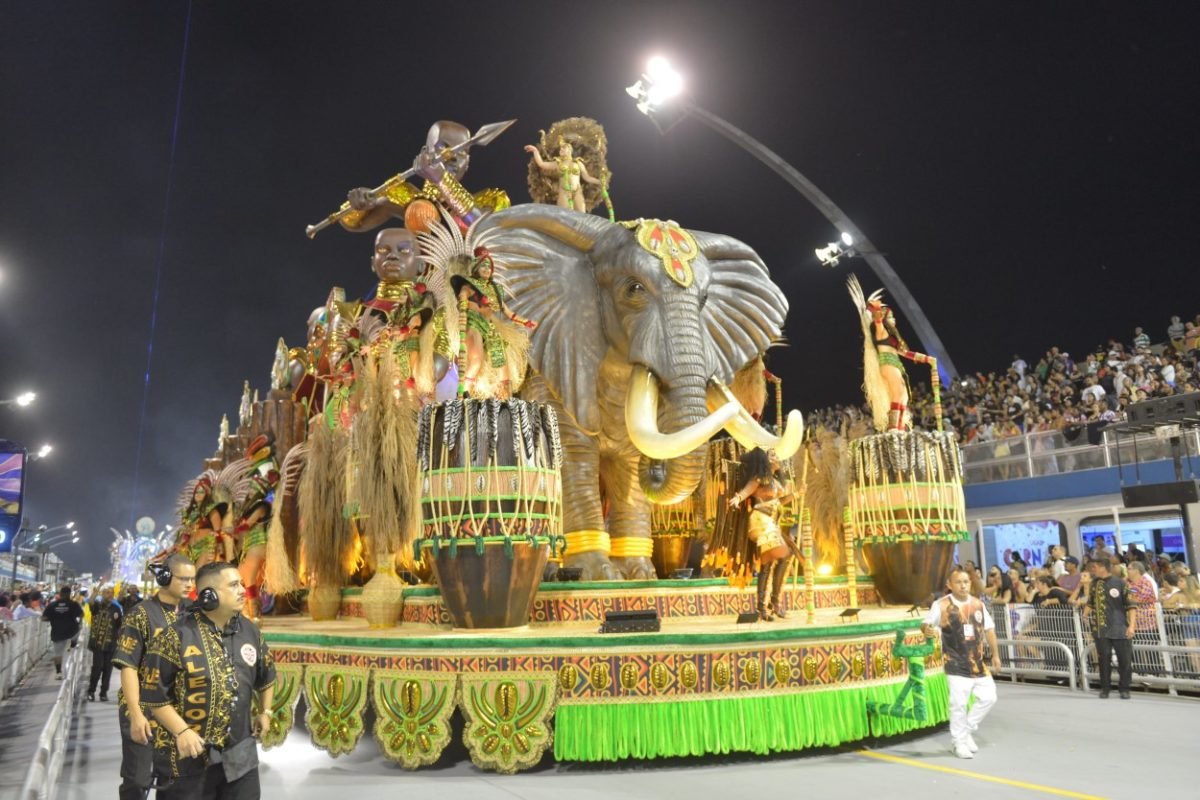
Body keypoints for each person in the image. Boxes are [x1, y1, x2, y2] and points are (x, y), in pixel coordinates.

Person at [142, 561, 275, 799]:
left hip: (240, 758)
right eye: (234, 585)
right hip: (186, 761)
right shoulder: (176, 635)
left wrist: (266, 711)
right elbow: (154, 696)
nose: (243, 591)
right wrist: (181, 731)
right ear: (209, 595)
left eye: (242, 584)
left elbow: (267, 676)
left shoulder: (250, 631)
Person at [112, 554, 196, 800]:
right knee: (137, 781)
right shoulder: (141, 614)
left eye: (193, 579)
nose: (190, 584)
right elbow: (127, 666)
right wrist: (136, 714)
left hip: (177, 712)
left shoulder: (192, 616)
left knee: (173, 780)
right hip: (144, 710)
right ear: (165, 577)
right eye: (184, 578)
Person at [922, 567, 1001, 759]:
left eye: (966, 581)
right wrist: (927, 630)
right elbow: (925, 625)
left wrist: (996, 655)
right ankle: (959, 743)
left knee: (989, 697)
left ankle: (965, 731)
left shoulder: (978, 604)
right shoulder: (940, 605)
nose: (963, 585)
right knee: (958, 704)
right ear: (950, 585)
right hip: (955, 662)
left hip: (978, 662)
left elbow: (989, 630)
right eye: (958, 582)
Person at [728, 447, 798, 621]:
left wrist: (796, 494)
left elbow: (779, 501)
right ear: (765, 461)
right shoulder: (760, 478)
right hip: (760, 521)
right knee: (784, 555)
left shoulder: (776, 482)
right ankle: (772, 603)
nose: (776, 457)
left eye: (777, 454)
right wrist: (737, 498)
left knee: (773, 562)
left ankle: (766, 606)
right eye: (772, 455)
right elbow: (746, 491)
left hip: (771, 523)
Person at [1084, 556, 1135, 699]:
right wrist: (1085, 614)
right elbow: (1091, 602)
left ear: (1103, 567)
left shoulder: (1120, 583)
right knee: (1103, 659)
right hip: (1101, 629)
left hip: (1120, 627)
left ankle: (1124, 688)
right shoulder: (1094, 583)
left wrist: (1131, 626)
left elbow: (1131, 606)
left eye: (1095, 567)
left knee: (1124, 659)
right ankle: (1105, 688)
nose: (1093, 570)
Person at [86, 586, 123, 702]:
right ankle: (91, 692)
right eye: (107, 593)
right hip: (98, 644)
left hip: (111, 645)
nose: (110, 595)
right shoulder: (97, 606)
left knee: (108, 670)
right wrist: (94, 593)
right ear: (102, 594)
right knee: (97, 668)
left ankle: (103, 693)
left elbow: (119, 626)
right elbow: (90, 603)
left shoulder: (116, 609)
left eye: (111, 593)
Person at [41, 586, 83, 680]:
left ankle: (58, 672)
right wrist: (78, 622)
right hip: (72, 632)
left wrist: (54, 618)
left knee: (58, 654)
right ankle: (73, 645)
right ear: (69, 594)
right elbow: (81, 615)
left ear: (60, 594)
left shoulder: (52, 605)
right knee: (74, 640)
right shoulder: (74, 604)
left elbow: (43, 618)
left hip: (57, 632)